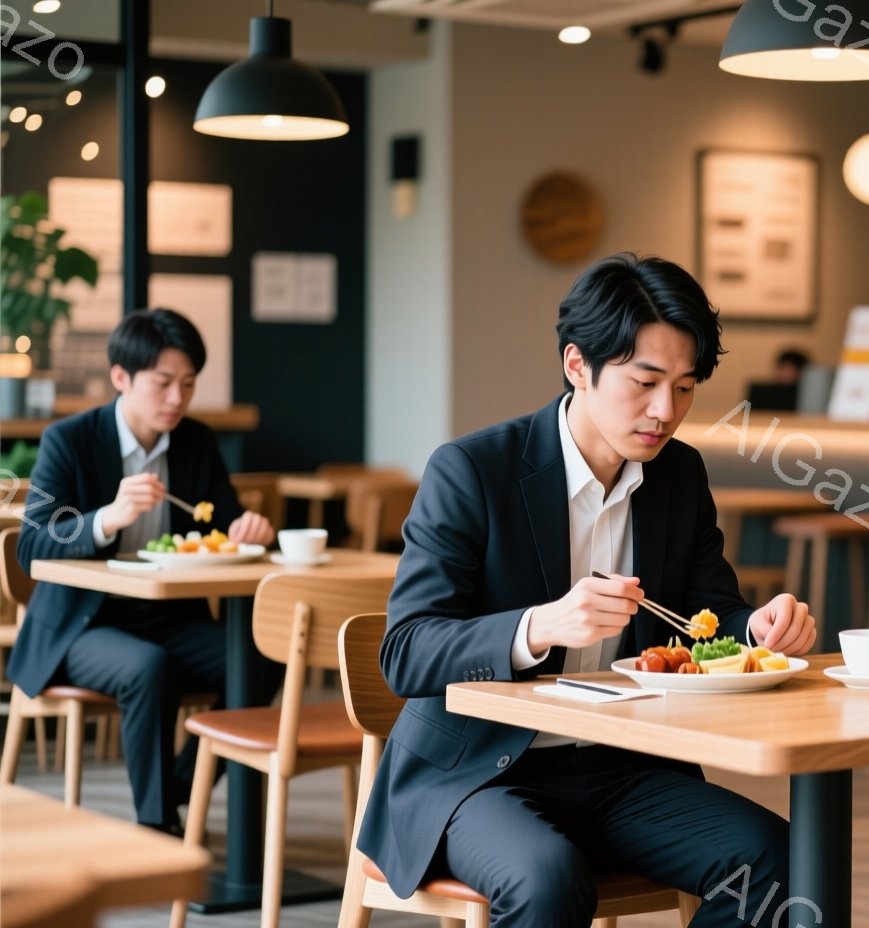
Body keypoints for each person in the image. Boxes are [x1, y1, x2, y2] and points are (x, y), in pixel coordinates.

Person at [356, 254, 818, 928]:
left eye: (685, 387)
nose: (666, 411)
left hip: (622, 768)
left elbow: (705, 613)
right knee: (548, 878)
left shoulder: (677, 477)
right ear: (578, 366)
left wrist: (756, 631)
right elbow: (406, 652)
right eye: (646, 382)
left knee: (779, 861)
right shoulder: (472, 471)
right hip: (481, 773)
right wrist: (537, 627)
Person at [10, 309, 276, 833]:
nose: (177, 398)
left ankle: (183, 784)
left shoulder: (196, 442)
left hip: (170, 618)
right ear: (121, 378)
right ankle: (157, 827)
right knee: (147, 668)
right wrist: (106, 519)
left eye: (188, 384)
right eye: (163, 383)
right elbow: (32, 544)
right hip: (83, 625)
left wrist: (250, 530)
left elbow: (221, 524)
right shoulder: (71, 440)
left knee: (263, 657)